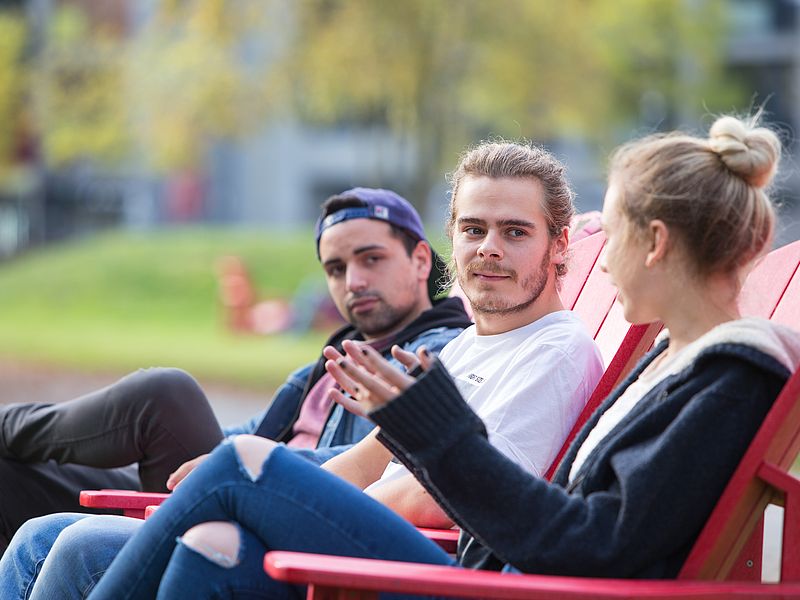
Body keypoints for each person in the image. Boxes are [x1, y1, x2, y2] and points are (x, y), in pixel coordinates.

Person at [75, 115, 800, 598]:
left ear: (657, 242)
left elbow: (590, 544)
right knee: (209, 545)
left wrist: (438, 432)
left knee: (242, 466)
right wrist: (427, 429)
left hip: (489, 583)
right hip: (487, 572)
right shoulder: (673, 365)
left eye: (606, 235)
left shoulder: (727, 380)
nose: (598, 262)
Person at [2, 141, 608, 598]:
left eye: (515, 232)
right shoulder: (470, 346)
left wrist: (288, 507)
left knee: (238, 466)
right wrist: (287, 503)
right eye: (474, 229)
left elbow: (447, 499)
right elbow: (372, 457)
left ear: (559, 246)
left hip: (434, 566)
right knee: (55, 538)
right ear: (452, 238)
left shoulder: (555, 352)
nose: (489, 248)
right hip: (373, 537)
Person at [0, 187, 473, 553]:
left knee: (165, 398)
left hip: (277, 510)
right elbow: (246, 433)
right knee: (14, 476)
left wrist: (253, 462)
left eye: (371, 258)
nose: (354, 281)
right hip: (226, 485)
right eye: (335, 268)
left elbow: (392, 463)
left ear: (419, 260)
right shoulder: (326, 366)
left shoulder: (435, 354)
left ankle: (9, 424)